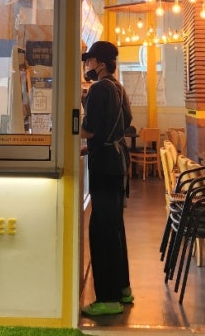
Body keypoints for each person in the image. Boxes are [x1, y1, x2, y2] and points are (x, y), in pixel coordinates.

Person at [80, 40, 133, 317]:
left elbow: (89, 128)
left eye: (89, 60)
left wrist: (75, 129)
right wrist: (95, 143)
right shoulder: (119, 87)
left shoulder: (99, 89)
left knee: (101, 230)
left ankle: (108, 298)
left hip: (104, 167)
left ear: (100, 63)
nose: (87, 65)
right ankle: (123, 289)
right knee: (115, 228)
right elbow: (124, 124)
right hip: (118, 163)